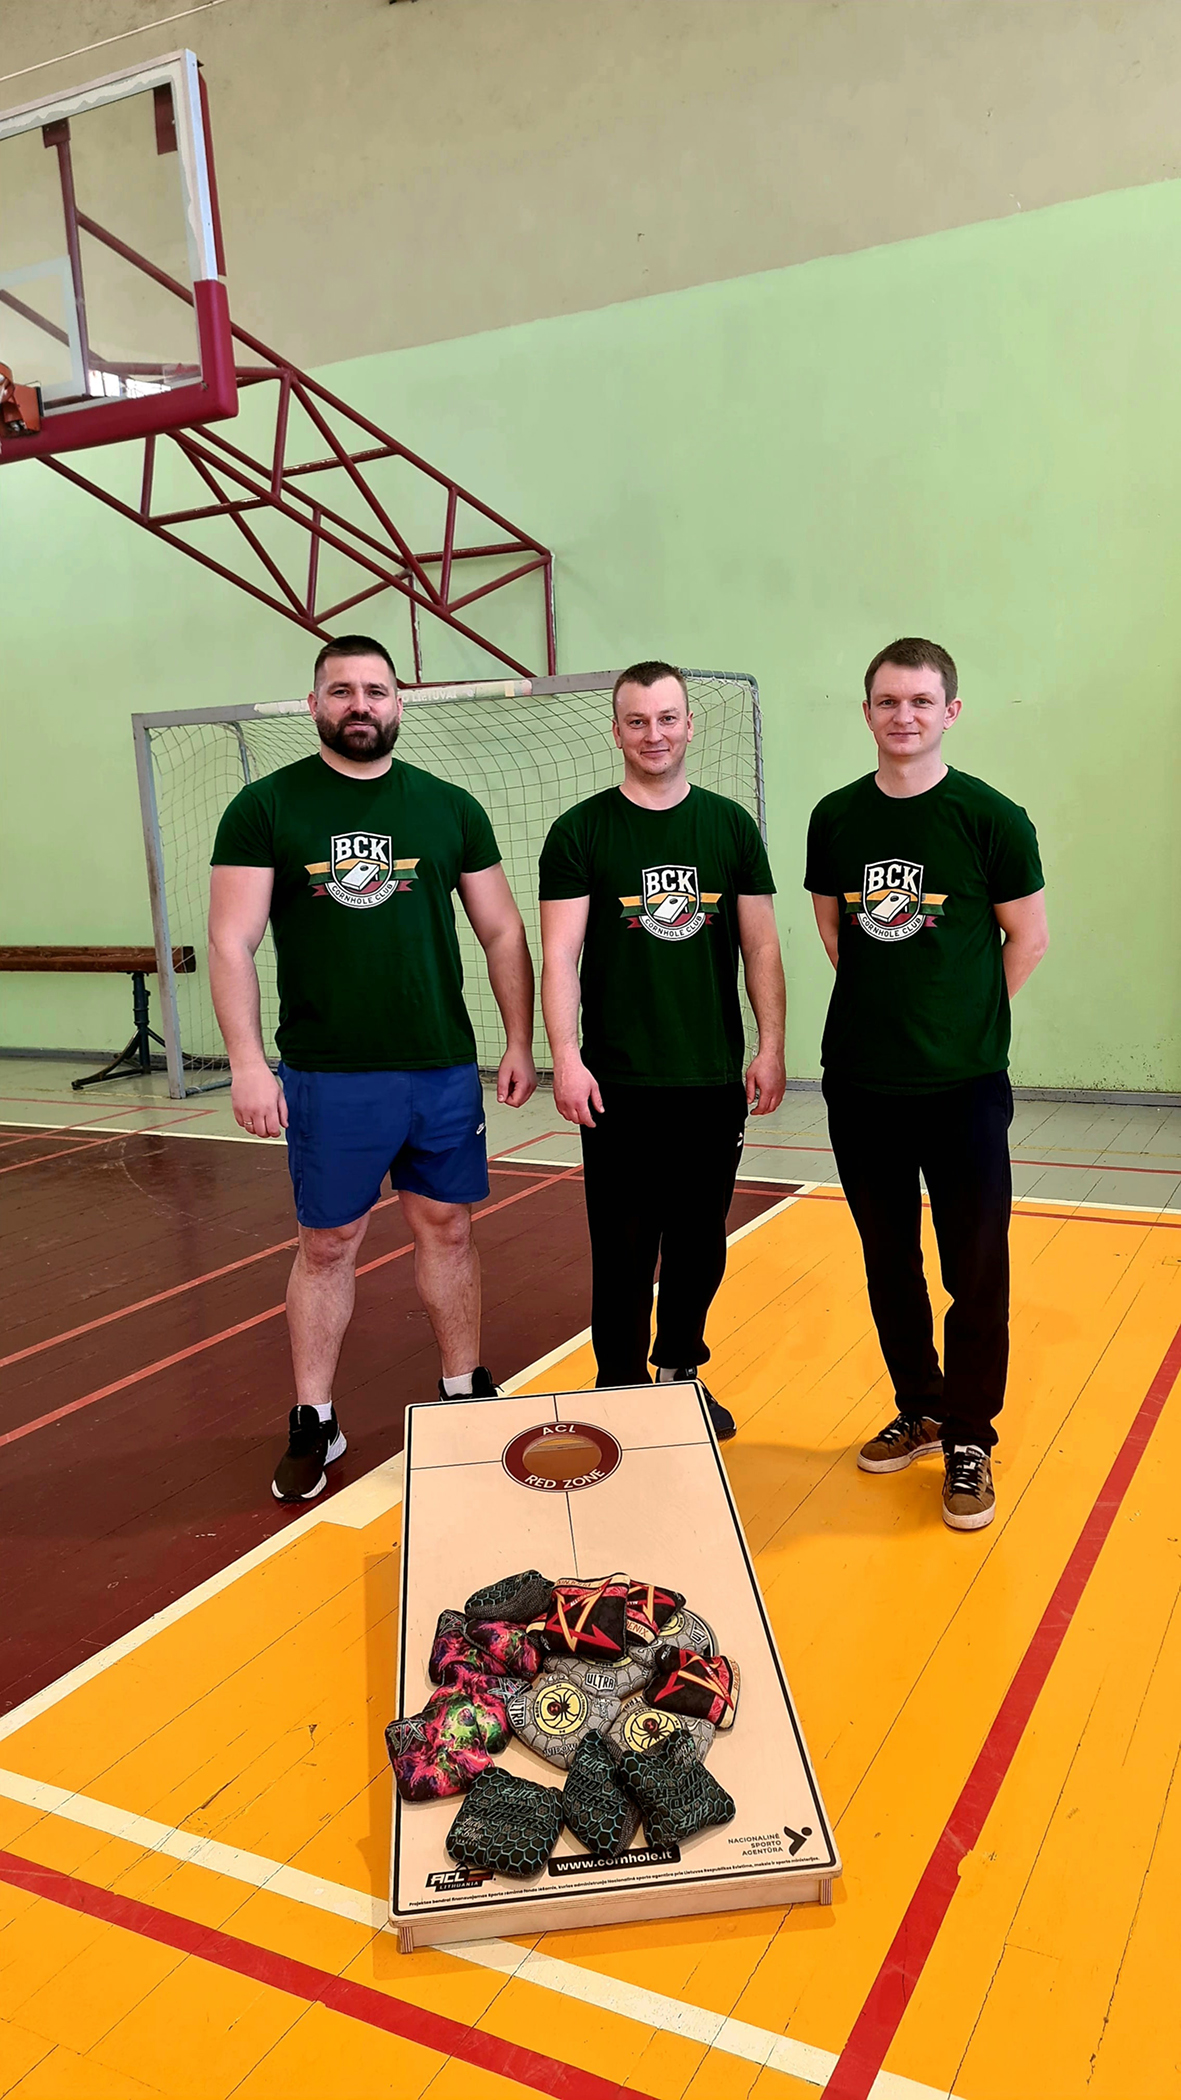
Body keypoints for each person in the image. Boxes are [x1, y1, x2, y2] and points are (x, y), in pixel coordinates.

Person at [208, 634, 537, 1503]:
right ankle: (315, 1416)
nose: (360, 704)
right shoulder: (264, 806)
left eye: (376, 690)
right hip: (327, 1073)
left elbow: (501, 928)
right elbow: (231, 940)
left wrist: (518, 1040)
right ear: (314, 703)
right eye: (342, 690)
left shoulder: (449, 807)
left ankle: (462, 1388)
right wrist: (248, 1064)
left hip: (439, 1068)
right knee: (327, 1245)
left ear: (399, 701)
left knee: (449, 1229)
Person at [805, 636, 1048, 1531]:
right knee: (888, 1263)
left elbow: (1027, 938)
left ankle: (970, 1435)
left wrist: (961, 1018)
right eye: (886, 701)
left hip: (963, 1088)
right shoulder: (835, 817)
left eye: (918, 701)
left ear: (949, 711)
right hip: (861, 1084)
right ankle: (921, 1407)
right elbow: (837, 935)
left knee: (974, 1270)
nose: (901, 716)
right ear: (866, 711)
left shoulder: (991, 816)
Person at [538, 660, 786, 1441]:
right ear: (616, 730)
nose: (654, 734)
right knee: (620, 1244)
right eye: (638, 720)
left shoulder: (729, 827)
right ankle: (618, 1379)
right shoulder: (580, 831)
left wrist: (771, 1045)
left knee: (698, 1242)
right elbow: (559, 954)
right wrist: (566, 1056)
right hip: (616, 1080)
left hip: (710, 1078)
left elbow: (761, 946)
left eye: (667, 718)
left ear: (689, 725)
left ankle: (679, 1369)